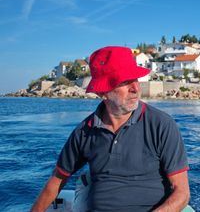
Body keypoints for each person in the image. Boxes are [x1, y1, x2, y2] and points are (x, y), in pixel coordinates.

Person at [31, 46, 190, 212]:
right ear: (103, 92)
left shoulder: (161, 124)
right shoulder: (85, 132)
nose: (135, 88)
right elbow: (57, 180)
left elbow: (182, 192)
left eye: (135, 79)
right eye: (124, 82)